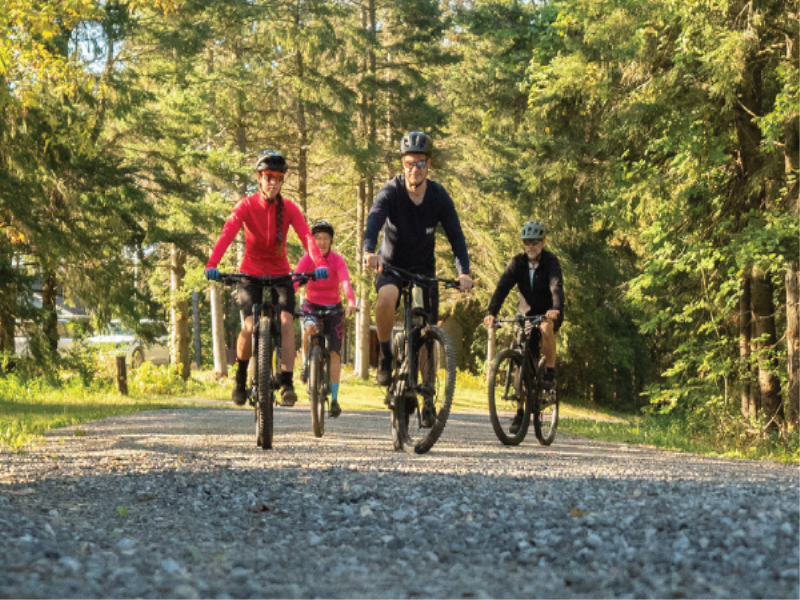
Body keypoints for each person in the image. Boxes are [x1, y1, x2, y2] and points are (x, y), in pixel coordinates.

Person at [205, 150, 328, 407]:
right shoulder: (246, 206)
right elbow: (228, 233)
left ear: (282, 181)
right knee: (249, 326)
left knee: (285, 321)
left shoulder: (290, 208)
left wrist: (319, 263)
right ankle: (240, 378)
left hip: (280, 273)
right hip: (250, 274)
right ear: (259, 179)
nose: (273, 182)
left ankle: (286, 382)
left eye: (278, 177)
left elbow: (307, 236)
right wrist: (212, 264)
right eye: (268, 176)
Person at [363, 131, 473, 388]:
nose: (415, 169)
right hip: (390, 264)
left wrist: (463, 272)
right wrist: (369, 251)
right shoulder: (391, 191)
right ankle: (385, 354)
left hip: (423, 268)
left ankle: (428, 394)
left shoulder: (438, 196)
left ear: (428, 165)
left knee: (426, 329)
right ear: (403, 164)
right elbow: (374, 220)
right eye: (409, 163)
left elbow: (456, 235)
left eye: (420, 163)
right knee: (387, 297)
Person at [483, 220, 564, 433]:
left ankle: (549, 373)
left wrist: (555, 308)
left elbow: (556, 288)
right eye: (527, 242)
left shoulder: (551, 262)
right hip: (526, 315)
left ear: (543, 241)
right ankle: (520, 413)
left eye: (535, 242)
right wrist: (491, 312)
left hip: (548, 312)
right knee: (521, 357)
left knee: (546, 328)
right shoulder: (517, 263)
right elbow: (502, 287)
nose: (531, 246)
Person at [295, 220, 357, 418]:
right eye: (318, 239)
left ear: (331, 241)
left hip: (333, 307)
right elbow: (296, 279)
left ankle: (336, 399)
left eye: (325, 239)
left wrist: (351, 301)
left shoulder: (337, 260)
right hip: (311, 305)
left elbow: (345, 281)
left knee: (334, 353)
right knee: (309, 328)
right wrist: (287, 298)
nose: (321, 242)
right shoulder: (307, 259)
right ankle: (306, 364)